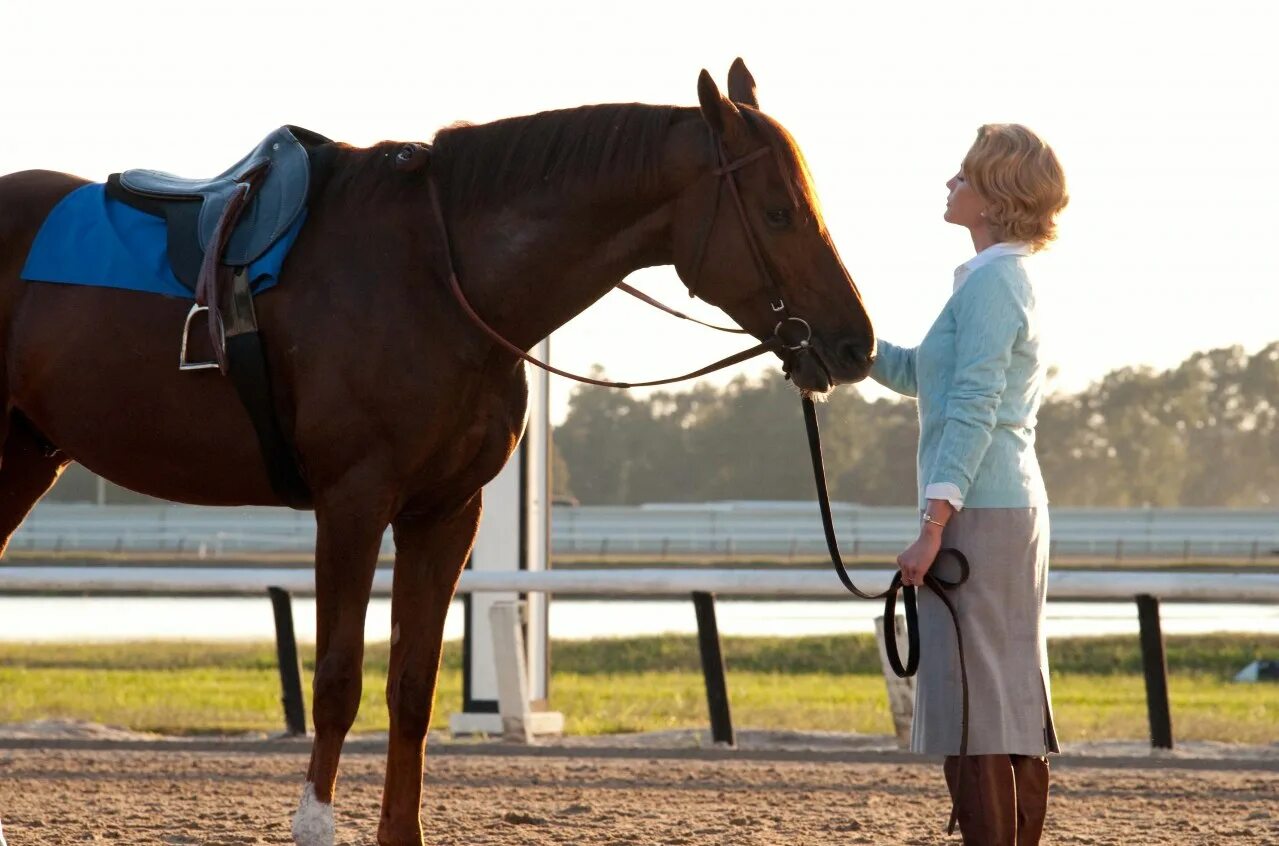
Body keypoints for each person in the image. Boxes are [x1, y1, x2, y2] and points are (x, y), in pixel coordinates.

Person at [869, 123, 1069, 845]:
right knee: (996, 697)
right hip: (999, 503)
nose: (949, 185)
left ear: (994, 196)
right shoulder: (992, 279)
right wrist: (847, 344)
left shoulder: (994, 283)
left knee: (979, 705)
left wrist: (931, 526)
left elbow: (974, 405)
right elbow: (921, 375)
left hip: (981, 510)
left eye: (962, 176)